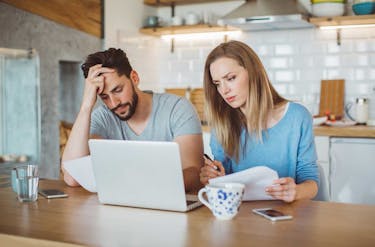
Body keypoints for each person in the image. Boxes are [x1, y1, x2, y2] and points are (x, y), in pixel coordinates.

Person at [62, 48, 203, 192]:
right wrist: (86, 105)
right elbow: (72, 178)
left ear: (134, 78)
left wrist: (142, 185)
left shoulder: (177, 108)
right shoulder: (103, 117)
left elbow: (194, 173)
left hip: (168, 204)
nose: (114, 103)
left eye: (118, 90)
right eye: (104, 97)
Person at [200, 40, 319, 203]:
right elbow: (224, 181)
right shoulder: (222, 124)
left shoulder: (297, 117)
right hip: (241, 216)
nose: (224, 90)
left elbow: (311, 181)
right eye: (217, 84)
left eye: (231, 78)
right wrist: (212, 177)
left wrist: (296, 191)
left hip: (285, 217)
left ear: (253, 72)